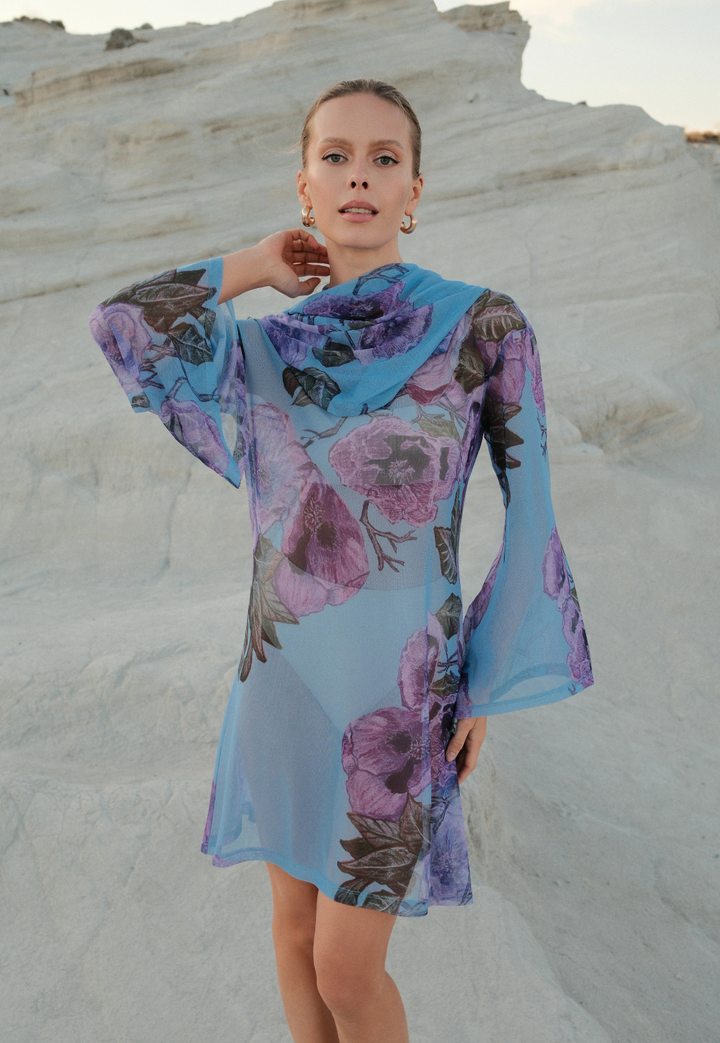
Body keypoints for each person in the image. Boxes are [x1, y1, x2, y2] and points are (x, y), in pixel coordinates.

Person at [90, 79, 593, 1043]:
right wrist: (252, 264)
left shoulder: (485, 326)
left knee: (347, 969)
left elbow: (532, 517)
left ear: (414, 190)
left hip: (400, 689)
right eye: (335, 157)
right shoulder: (267, 348)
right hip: (281, 674)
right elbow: (126, 327)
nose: (358, 175)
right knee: (289, 934)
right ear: (304, 185)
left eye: (383, 159)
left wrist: (480, 683)